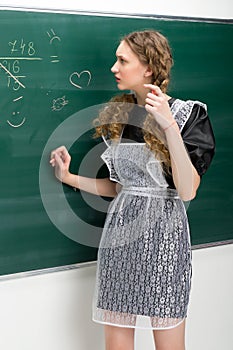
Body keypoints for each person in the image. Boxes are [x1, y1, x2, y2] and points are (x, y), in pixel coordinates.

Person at [50, 30, 215, 350]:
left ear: (148, 68)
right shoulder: (119, 119)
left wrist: (167, 125)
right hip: (120, 241)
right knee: (117, 344)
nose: (114, 67)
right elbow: (119, 188)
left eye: (122, 60)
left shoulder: (188, 115)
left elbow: (187, 190)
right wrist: (69, 176)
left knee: (169, 344)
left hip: (165, 242)